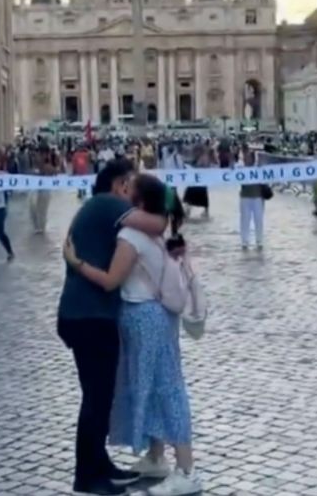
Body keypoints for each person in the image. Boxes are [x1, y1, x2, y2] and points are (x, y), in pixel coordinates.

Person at [64, 174, 202, 496]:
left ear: (138, 203)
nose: (123, 196)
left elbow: (112, 280)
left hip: (144, 318)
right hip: (157, 317)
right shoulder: (156, 233)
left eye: (129, 192)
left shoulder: (130, 235)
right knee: (155, 386)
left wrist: (77, 262)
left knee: (166, 389)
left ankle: (186, 469)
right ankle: (156, 456)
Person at [57, 158, 168, 496]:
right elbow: (157, 224)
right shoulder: (108, 204)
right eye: (130, 185)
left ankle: (98, 463)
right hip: (90, 316)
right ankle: (86, 476)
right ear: (119, 184)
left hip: (83, 314)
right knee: (96, 398)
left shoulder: (95, 207)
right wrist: (165, 199)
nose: (130, 193)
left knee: (100, 397)